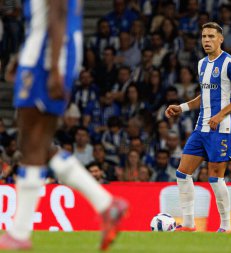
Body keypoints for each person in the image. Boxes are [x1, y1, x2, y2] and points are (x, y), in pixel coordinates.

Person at [0, 1, 127, 251]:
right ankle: (105, 203)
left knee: (32, 142)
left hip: (47, 58)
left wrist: (55, 67)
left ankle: (19, 232)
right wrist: (23, 53)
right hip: (43, 52)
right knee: (35, 142)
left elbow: (57, 12)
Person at [165, 22, 231, 232]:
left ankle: (226, 226)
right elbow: (203, 97)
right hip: (201, 128)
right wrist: (182, 107)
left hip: (222, 129)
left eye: (211, 36)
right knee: (182, 173)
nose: (207, 40)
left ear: (221, 39)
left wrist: (221, 115)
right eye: (204, 36)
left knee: (215, 177)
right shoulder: (202, 64)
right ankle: (188, 224)